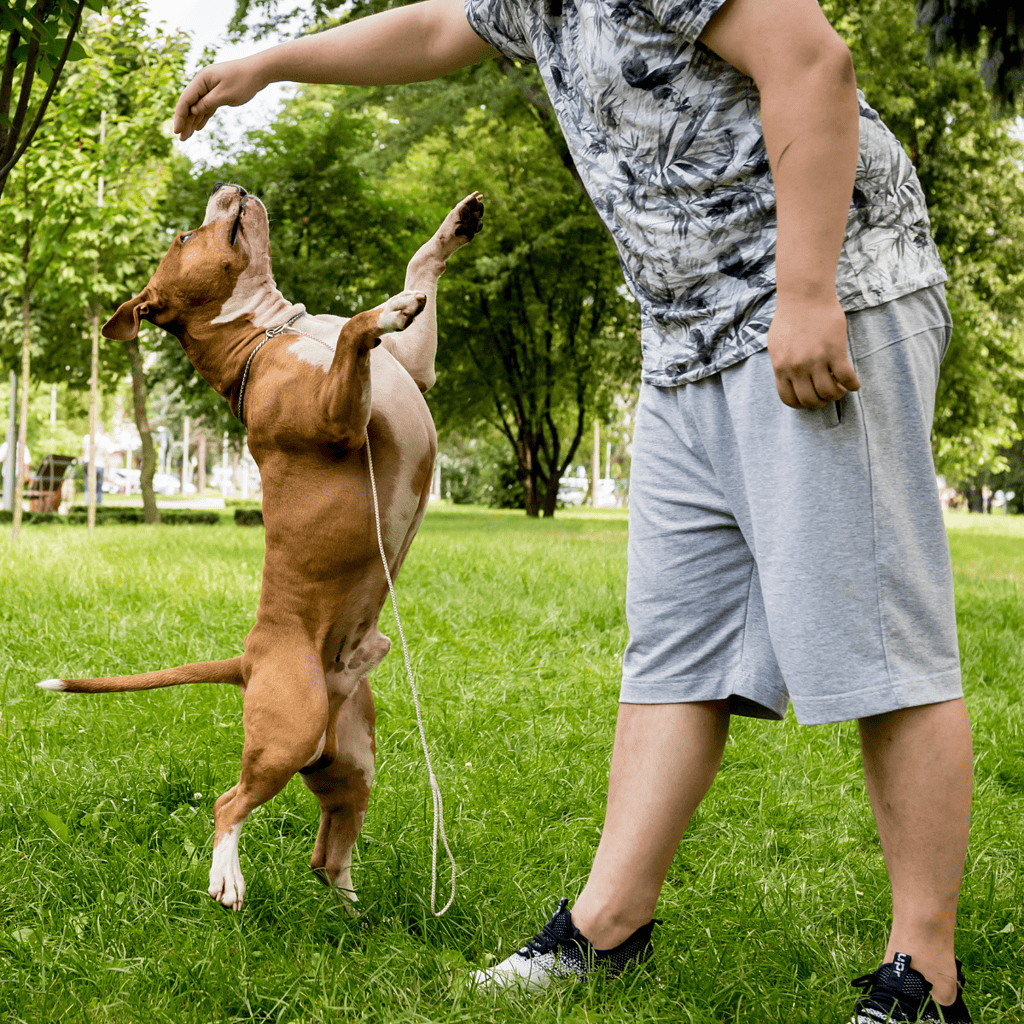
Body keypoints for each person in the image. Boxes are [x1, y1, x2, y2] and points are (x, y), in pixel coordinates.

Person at [174, 1, 974, 1020]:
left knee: (874, 636)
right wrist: (273, 64)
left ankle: (924, 975)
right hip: (684, 334)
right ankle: (607, 924)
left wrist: (808, 290)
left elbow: (811, 61)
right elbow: (434, 30)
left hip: (815, 298)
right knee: (675, 646)